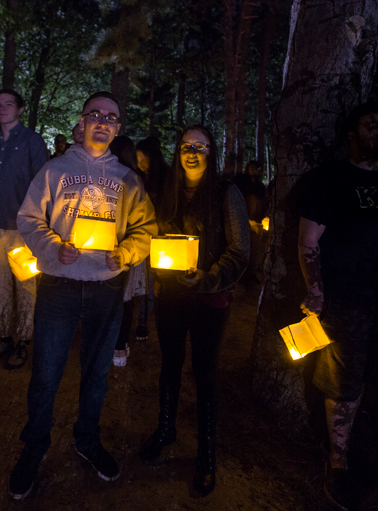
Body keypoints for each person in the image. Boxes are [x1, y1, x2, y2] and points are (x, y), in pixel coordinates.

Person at [8, 92, 156, 499]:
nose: (103, 122)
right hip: (60, 284)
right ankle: (34, 448)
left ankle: (86, 439)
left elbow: (146, 228)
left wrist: (126, 252)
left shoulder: (128, 179)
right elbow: (28, 218)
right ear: (83, 120)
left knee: (96, 374)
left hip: (107, 288)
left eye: (112, 117)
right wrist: (53, 247)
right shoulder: (55, 170)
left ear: (118, 128)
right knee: (46, 374)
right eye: (96, 115)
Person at [296, 102, 378, 510]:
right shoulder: (330, 181)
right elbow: (308, 242)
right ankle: (338, 461)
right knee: (344, 381)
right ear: (352, 133)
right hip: (346, 301)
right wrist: (315, 290)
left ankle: (367, 445)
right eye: (371, 125)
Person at [137, 125, 249, 496]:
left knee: (205, 374)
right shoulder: (166, 190)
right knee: (169, 365)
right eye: (186, 145)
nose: (192, 152)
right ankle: (166, 430)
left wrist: (208, 279)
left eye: (200, 146)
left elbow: (239, 250)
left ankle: (206, 454)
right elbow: (154, 236)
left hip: (208, 299)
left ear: (210, 152)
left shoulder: (225, 193)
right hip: (170, 296)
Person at [0, 89, 48, 370]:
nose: (2, 108)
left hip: (22, 230)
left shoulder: (32, 142)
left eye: (8, 104)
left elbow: (41, 185)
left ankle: (24, 342)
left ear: (20, 109)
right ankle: (4, 337)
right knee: (1, 287)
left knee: (26, 287)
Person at [108, 136, 149, 367]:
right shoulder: (133, 178)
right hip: (125, 246)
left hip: (119, 247)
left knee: (118, 298)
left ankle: (116, 344)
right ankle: (119, 346)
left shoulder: (130, 179)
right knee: (125, 299)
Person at [134, 136, 170, 341]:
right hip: (140, 235)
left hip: (159, 236)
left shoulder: (166, 178)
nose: (140, 163)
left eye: (144, 158)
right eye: (137, 158)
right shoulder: (136, 179)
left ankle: (143, 321)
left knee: (152, 281)